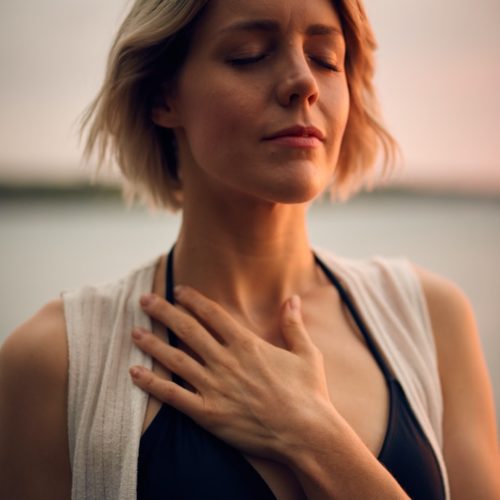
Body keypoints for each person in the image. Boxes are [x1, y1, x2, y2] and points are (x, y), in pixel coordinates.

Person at [1, 0, 499, 498]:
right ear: (163, 96)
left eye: (326, 58)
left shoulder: (431, 321)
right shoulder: (53, 363)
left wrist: (312, 435)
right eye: (249, 54)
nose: (303, 82)